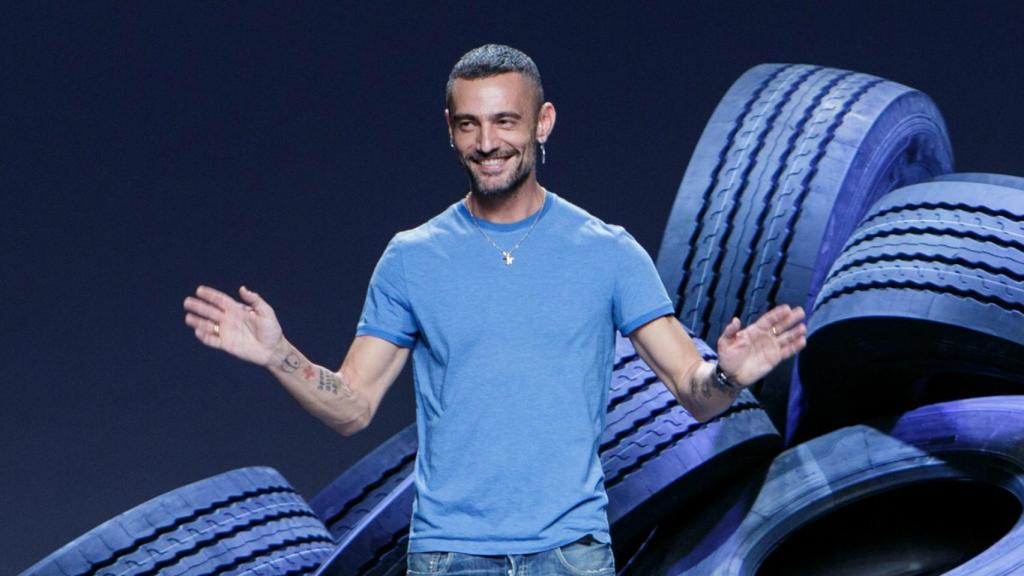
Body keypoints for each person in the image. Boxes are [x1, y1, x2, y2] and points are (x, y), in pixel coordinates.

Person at [183, 44, 806, 576]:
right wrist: (276, 353)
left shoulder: (607, 252)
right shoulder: (412, 258)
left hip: (570, 556)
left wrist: (727, 374)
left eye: (505, 121)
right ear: (450, 128)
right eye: (468, 125)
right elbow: (353, 407)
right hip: (450, 557)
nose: (487, 144)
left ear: (543, 122)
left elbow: (693, 391)